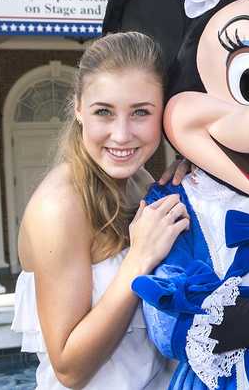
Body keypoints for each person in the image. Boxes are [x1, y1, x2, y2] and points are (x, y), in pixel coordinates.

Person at [11, 31, 191, 389]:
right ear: (78, 108)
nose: (121, 135)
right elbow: (69, 368)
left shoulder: (141, 182)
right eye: (103, 112)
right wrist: (138, 261)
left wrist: (193, 185)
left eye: (140, 112)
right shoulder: (59, 207)